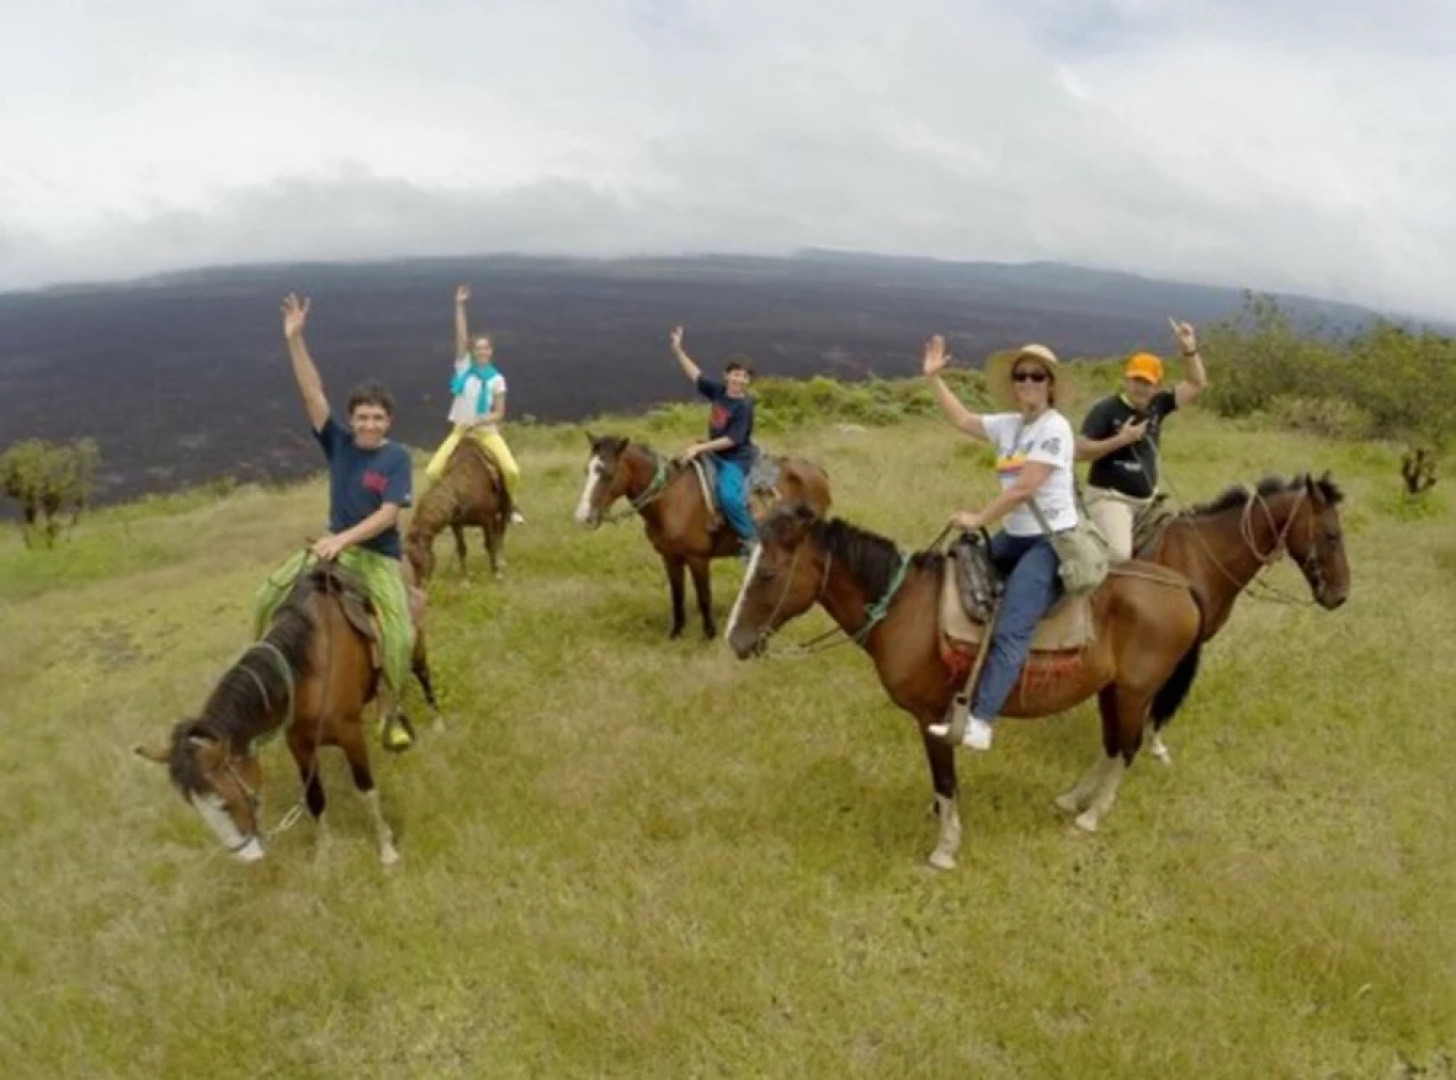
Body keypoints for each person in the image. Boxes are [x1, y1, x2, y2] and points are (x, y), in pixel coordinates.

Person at [253, 294, 416, 752]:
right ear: (351, 419)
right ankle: (267, 684)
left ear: (389, 422)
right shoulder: (339, 442)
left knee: (400, 633)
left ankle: (390, 710)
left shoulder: (397, 458)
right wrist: (295, 339)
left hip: (376, 557)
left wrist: (342, 540)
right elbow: (312, 392)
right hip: (333, 547)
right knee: (265, 597)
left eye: (377, 418)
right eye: (362, 417)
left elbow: (388, 514)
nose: (369, 425)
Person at [921, 336, 1079, 752]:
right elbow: (962, 419)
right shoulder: (1010, 424)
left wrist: (978, 519)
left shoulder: (1055, 428)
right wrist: (934, 380)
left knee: (1012, 627)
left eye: (1036, 376)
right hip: (1016, 535)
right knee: (957, 566)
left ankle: (981, 722)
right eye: (1020, 376)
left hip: (1049, 541)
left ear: (1051, 384)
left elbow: (1024, 489)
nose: (1027, 382)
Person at [1075, 318, 1207, 560]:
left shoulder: (1159, 405)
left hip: (1148, 501)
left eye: (1147, 382)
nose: (1140, 388)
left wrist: (1189, 349)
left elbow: (1196, 383)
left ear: (1157, 386)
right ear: (1126, 380)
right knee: (1118, 555)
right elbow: (1078, 451)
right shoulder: (1106, 409)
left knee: (1182, 545)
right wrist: (1121, 440)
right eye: (1136, 380)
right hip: (1110, 498)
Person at [424, 284, 526, 524]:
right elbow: (461, 336)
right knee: (432, 472)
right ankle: (446, 505)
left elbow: (499, 413)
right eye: (477, 348)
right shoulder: (463, 369)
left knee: (511, 471)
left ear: (491, 351)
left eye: (485, 348)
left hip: (486, 432)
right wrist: (459, 305)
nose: (481, 352)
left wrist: (480, 421)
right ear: (472, 351)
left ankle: (510, 504)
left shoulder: (497, 379)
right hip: (461, 431)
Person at [668, 325, 759, 556]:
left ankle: (751, 539)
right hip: (713, 453)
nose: (738, 379)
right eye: (735, 374)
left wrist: (701, 447)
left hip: (735, 459)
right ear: (726, 375)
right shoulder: (719, 391)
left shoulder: (744, 406)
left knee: (729, 498)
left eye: (744, 376)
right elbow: (696, 376)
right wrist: (679, 351)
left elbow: (732, 439)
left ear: (748, 380)